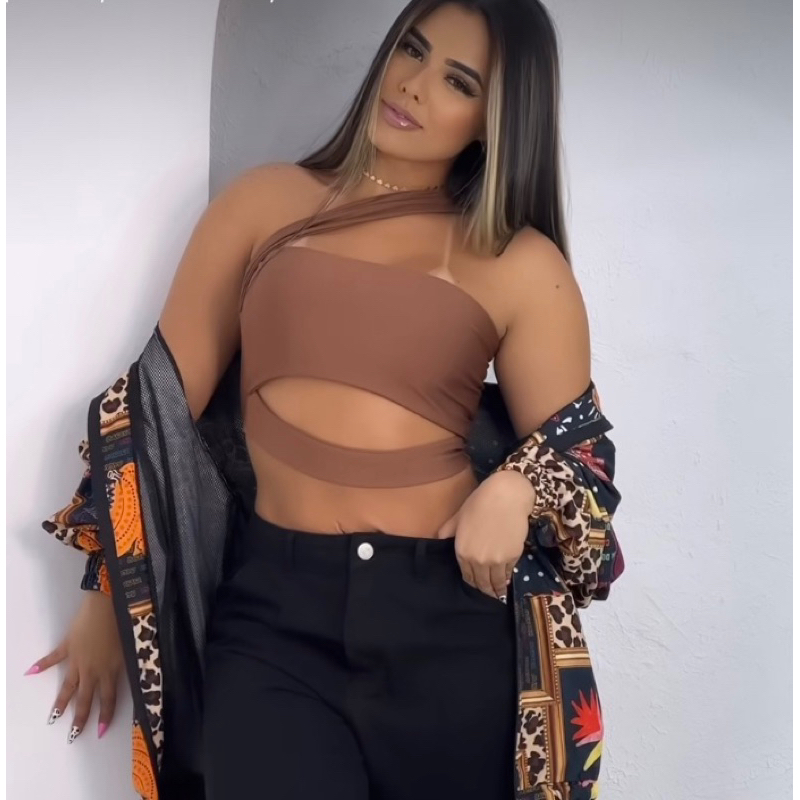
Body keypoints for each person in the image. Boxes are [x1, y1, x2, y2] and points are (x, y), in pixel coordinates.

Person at [28, 1, 625, 798]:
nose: (413, 85)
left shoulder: (521, 264)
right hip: (276, 618)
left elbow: (582, 457)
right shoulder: (266, 203)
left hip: (451, 622)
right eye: (412, 49)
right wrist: (107, 593)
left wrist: (516, 487)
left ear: (496, 120)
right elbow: (155, 409)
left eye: (458, 81)